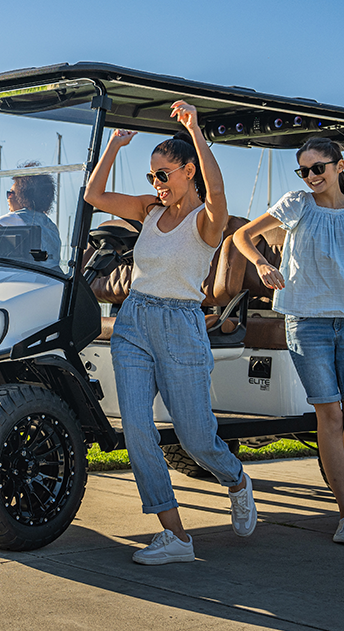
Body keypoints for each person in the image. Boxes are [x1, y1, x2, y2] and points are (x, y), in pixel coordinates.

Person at [82, 102, 256, 566]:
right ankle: (175, 535)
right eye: (151, 177)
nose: (156, 185)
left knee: (196, 439)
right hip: (135, 320)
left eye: (164, 175)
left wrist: (196, 130)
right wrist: (115, 146)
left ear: (188, 172)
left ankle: (236, 479)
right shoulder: (147, 210)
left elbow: (217, 190)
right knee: (138, 430)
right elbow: (94, 196)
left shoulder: (207, 220)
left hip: (180, 325)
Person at [234, 136, 344, 547]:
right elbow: (242, 237)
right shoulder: (296, 203)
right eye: (304, 170)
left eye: (318, 168)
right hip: (307, 323)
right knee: (330, 418)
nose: (311, 176)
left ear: (339, 166)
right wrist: (263, 263)